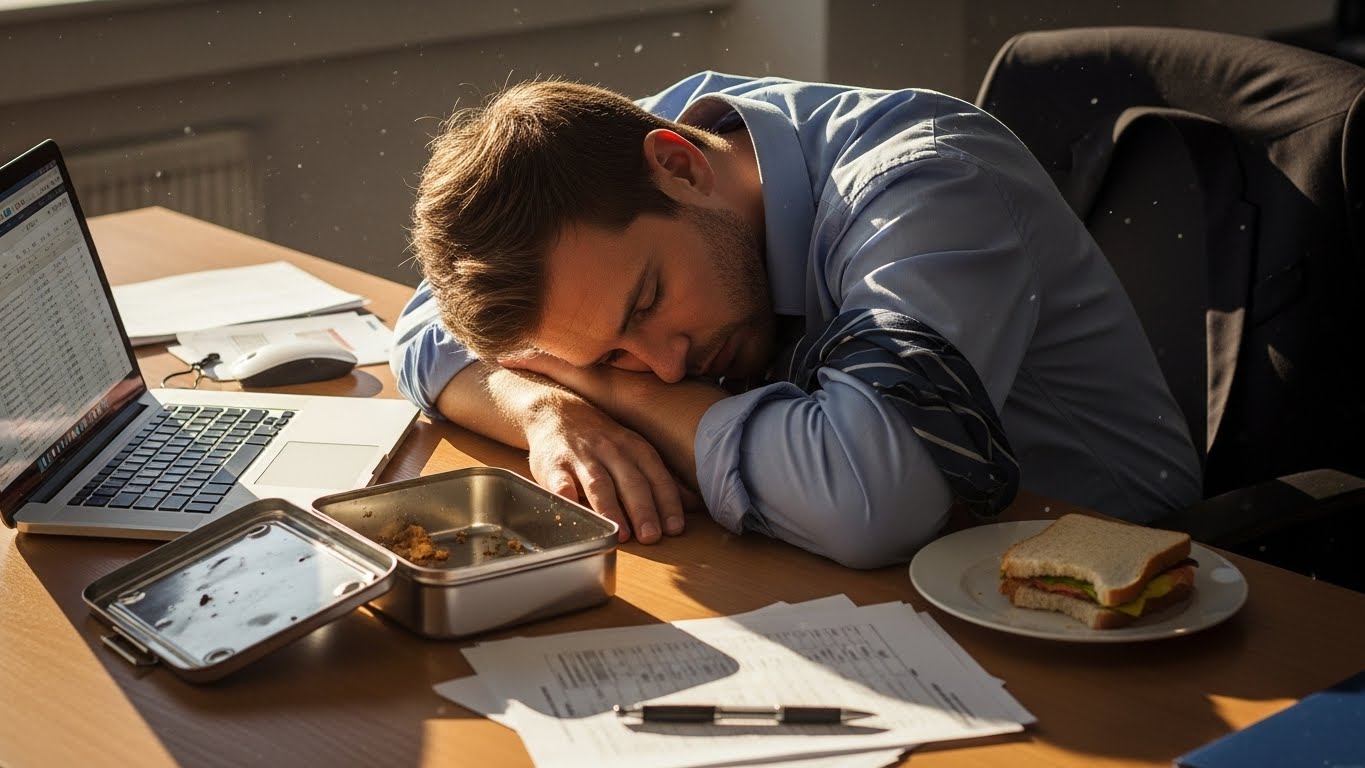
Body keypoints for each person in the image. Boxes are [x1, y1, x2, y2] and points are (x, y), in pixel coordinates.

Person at [390, 71, 1202, 568]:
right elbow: (423, 328)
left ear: (679, 166)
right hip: (886, 586)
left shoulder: (925, 184)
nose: (666, 364)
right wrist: (544, 408)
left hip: (1122, 575)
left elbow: (871, 500)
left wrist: (625, 397)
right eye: (612, 354)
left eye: (645, 305)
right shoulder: (617, 163)